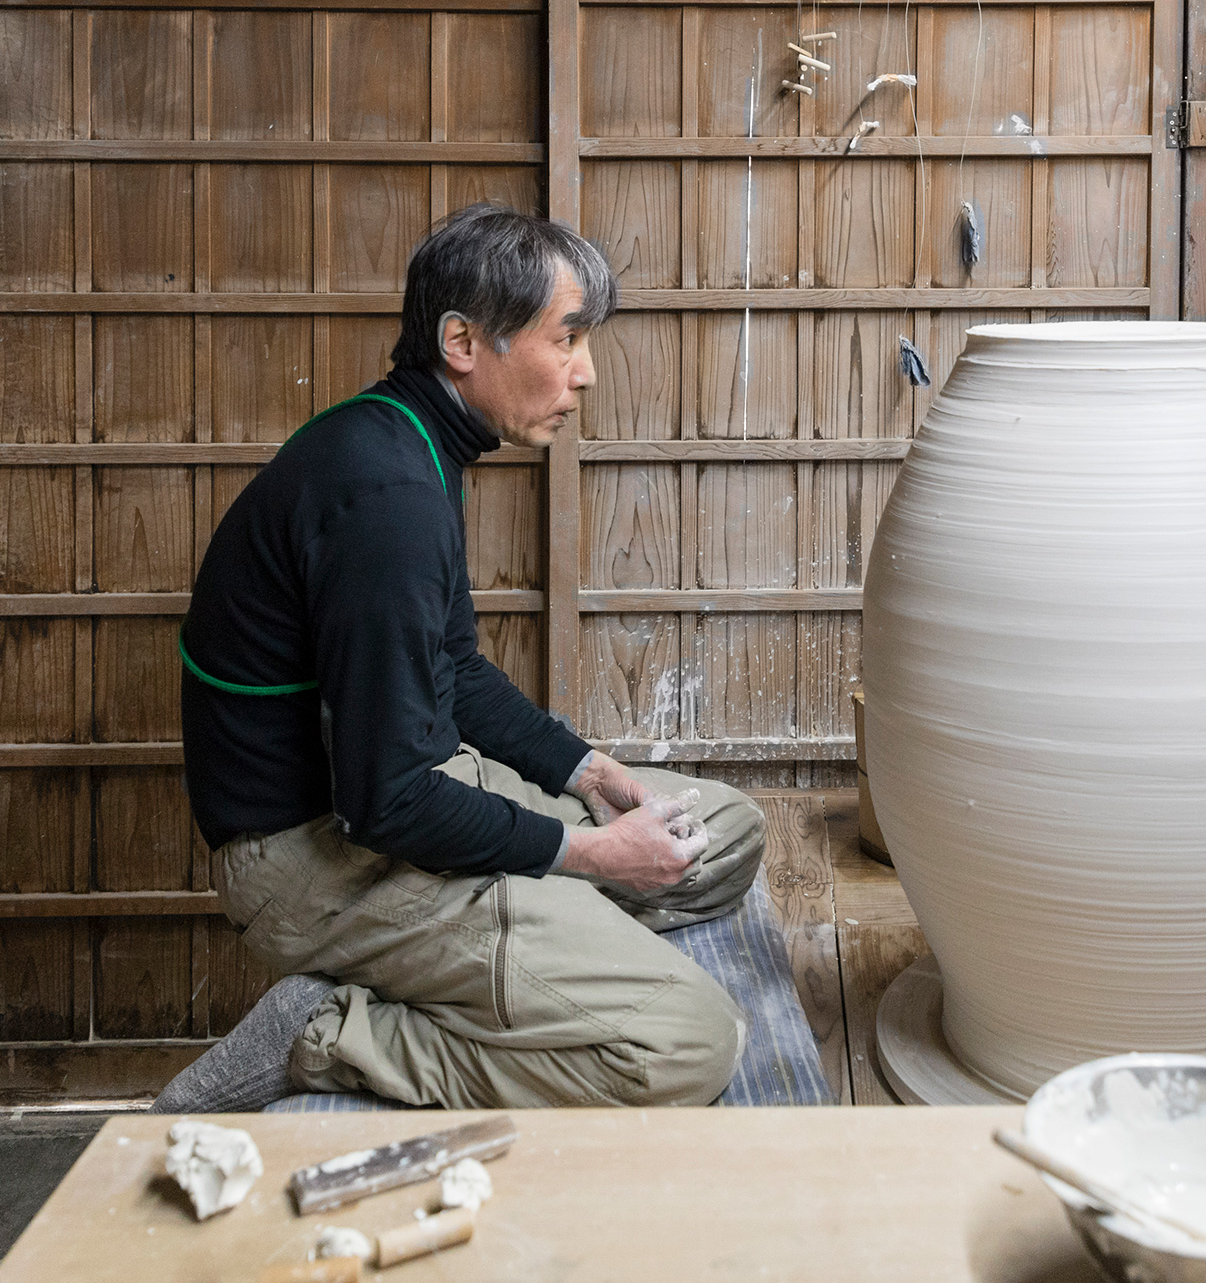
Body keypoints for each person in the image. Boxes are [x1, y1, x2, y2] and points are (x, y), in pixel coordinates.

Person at [155, 204, 764, 1113]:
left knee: (726, 831)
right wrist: (590, 854)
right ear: (463, 342)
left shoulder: (408, 439)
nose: (587, 371)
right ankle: (329, 1033)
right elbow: (386, 802)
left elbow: (453, 669)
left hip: (407, 795)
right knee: (689, 1044)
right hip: (313, 863)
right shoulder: (389, 497)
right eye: (567, 338)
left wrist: (587, 771)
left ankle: (546, 938)